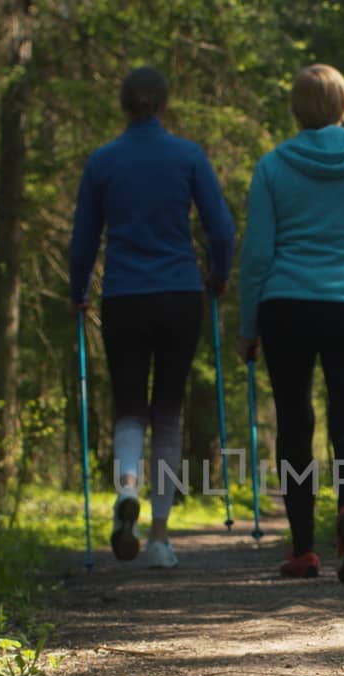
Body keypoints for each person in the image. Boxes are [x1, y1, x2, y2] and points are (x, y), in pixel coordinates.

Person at [237, 64, 344, 582]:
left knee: (294, 421)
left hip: (286, 306)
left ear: (296, 109)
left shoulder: (272, 167)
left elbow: (258, 255)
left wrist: (249, 326)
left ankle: (303, 549)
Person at [68, 66, 235, 569]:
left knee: (128, 408)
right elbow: (222, 231)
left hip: (124, 297)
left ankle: (126, 491)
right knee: (168, 411)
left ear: (124, 107)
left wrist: (79, 292)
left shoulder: (102, 162)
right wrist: (218, 276)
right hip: (181, 294)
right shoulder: (188, 156)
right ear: (165, 106)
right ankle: (160, 537)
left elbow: (83, 242)